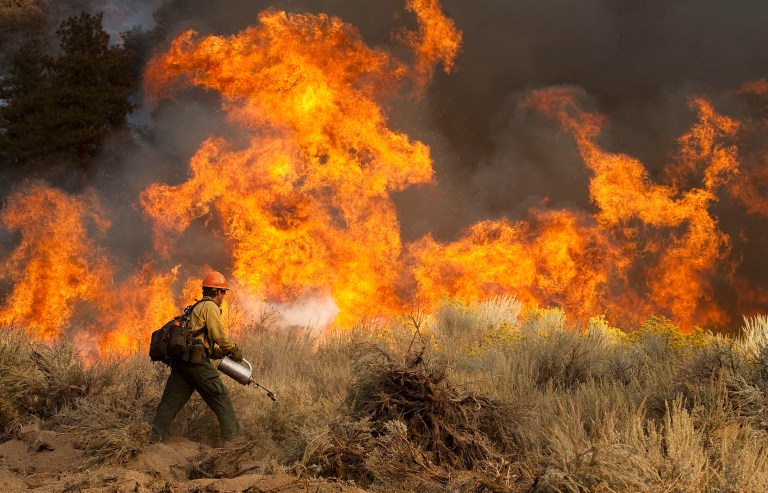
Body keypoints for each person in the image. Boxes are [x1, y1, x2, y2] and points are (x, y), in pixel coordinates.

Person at [149, 271, 244, 444]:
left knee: (170, 401)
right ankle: (234, 441)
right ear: (217, 292)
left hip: (182, 362)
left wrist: (217, 353)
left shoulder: (196, 307)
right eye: (223, 292)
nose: (223, 296)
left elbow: (200, 340)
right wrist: (232, 349)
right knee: (219, 395)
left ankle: (155, 440)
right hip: (194, 363)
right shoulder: (210, 307)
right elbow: (219, 335)